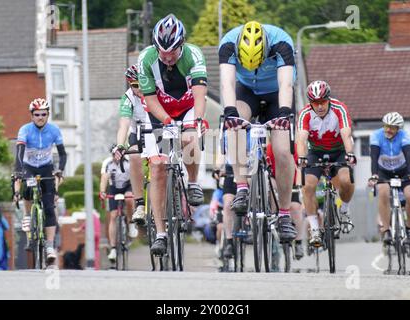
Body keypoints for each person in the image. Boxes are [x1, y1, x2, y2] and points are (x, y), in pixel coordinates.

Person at [219, 20, 297, 241]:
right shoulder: (227, 44)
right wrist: (231, 112)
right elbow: (227, 85)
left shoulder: (282, 43)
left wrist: (283, 113)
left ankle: (283, 214)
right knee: (234, 122)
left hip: (276, 93)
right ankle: (242, 186)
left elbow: (286, 85)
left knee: (282, 150)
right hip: (247, 90)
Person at [138, 13, 208, 255]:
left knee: (189, 137)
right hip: (159, 112)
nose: (167, 57)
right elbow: (148, 98)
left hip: (188, 106)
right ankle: (160, 233)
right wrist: (167, 121)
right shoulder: (146, 59)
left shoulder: (194, 55)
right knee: (157, 168)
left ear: (182, 44)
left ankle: (193, 182)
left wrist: (196, 122)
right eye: (162, 51)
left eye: (172, 51)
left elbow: (200, 94)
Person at [297, 80, 356, 246]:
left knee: (345, 181)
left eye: (323, 102)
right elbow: (301, 139)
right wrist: (301, 158)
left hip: (339, 150)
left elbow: (346, 133)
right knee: (308, 186)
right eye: (316, 103)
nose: (320, 106)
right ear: (310, 103)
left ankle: (344, 209)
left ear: (328, 99)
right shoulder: (305, 113)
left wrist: (350, 153)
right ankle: (315, 229)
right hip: (315, 152)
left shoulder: (339, 108)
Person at [13, 98, 67, 264]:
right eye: (37, 114)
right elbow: (20, 151)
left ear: (48, 114)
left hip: (46, 167)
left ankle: (49, 246)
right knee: (28, 189)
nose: (40, 117)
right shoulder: (25, 130)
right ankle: (28, 215)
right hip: (29, 167)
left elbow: (63, 154)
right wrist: (18, 170)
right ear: (32, 116)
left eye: (44, 114)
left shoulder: (54, 130)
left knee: (50, 208)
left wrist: (60, 170)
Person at [368, 112, 410, 252]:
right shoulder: (376, 135)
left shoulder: (404, 136)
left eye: (393, 127)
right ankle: (386, 230)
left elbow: (408, 155)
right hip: (383, 171)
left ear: (398, 128)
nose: (388, 130)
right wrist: (374, 175)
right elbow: (374, 156)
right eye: (387, 126)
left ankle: (408, 227)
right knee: (383, 193)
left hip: (402, 171)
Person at [113, 64, 149, 225]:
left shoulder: (157, 90)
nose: (140, 89)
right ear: (130, 85)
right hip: (139, 132)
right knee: (134, 157)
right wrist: (120, 145)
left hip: (159, 129)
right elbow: (124, 125)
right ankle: (140, 204)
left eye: (143, 84)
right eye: (135, 86)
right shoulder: (128, 98)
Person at [266, 143, 305, 260]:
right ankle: (272, 217)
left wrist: (298, 186)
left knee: (295, 208)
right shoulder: (269, 148)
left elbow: (299, 168)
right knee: (270, 186)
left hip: (290, 184)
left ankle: (298, 243)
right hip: (275, 180)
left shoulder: (293, 147)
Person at [99, 144, 137, 264]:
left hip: (127, 185)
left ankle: (131, 223)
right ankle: (113, 248)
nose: (117, 157)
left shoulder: (128, 162)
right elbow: (104, 178)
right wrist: (102, 192)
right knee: (113, 215)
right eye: (114, 155)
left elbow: (135, 177)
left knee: (129, 199)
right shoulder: (107, 163)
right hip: (114, 187)